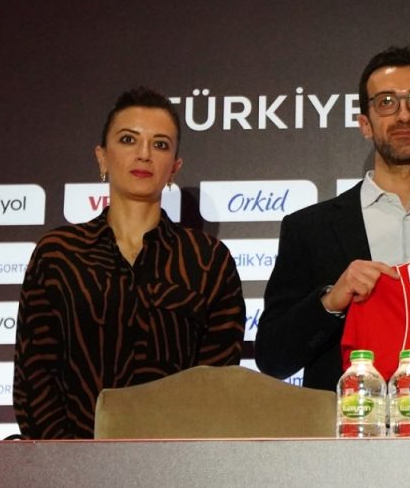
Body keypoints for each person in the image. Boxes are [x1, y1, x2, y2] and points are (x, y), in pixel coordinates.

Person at [13, 87, 246, 439]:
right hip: (67, 460)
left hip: (175, 460)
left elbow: (216, 386)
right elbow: (34, 378)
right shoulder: (57, 254)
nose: (144, 154)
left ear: (174, 167)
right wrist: (66, 459)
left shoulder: (209, 260)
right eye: (128, 139)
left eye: (160, 144)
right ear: (102, 157)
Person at [254, 46, 410, 391]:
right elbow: (273, 358)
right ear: (365, 124)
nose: (403, 115)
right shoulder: (309, 229)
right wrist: (331, 300)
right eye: (386, 102)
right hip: (345, 421)